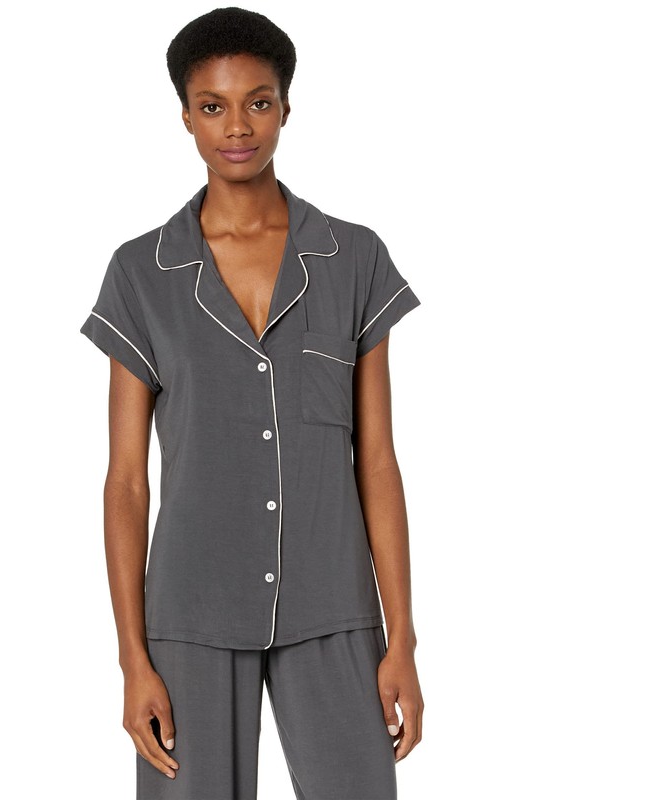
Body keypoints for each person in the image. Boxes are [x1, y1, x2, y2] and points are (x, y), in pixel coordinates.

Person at [79, 7, 424, 799]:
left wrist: (402, 636)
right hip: (190, 612)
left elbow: (377, 461)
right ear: (185, 116)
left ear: (286, 108)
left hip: (333, 603)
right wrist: (133, 658)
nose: (237, 127)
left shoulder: (354, 258)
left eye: (258, 102)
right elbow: (126, 481)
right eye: (213, 106)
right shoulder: (141, 273)